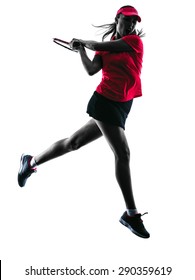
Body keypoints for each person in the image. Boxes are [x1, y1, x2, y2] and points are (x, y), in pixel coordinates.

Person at [18, 5, 150, 239]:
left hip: (122, 105)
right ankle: (131, 213)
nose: (131, 25)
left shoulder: (133, 43)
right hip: (104, 102)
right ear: (117, 19)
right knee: (123, 154)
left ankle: (31, 161)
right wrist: (80, 51)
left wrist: (85, 43)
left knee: (73, 143)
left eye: (134, 22)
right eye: (127, 20)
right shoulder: (105, 46)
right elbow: (91, 70)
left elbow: (98, 46)